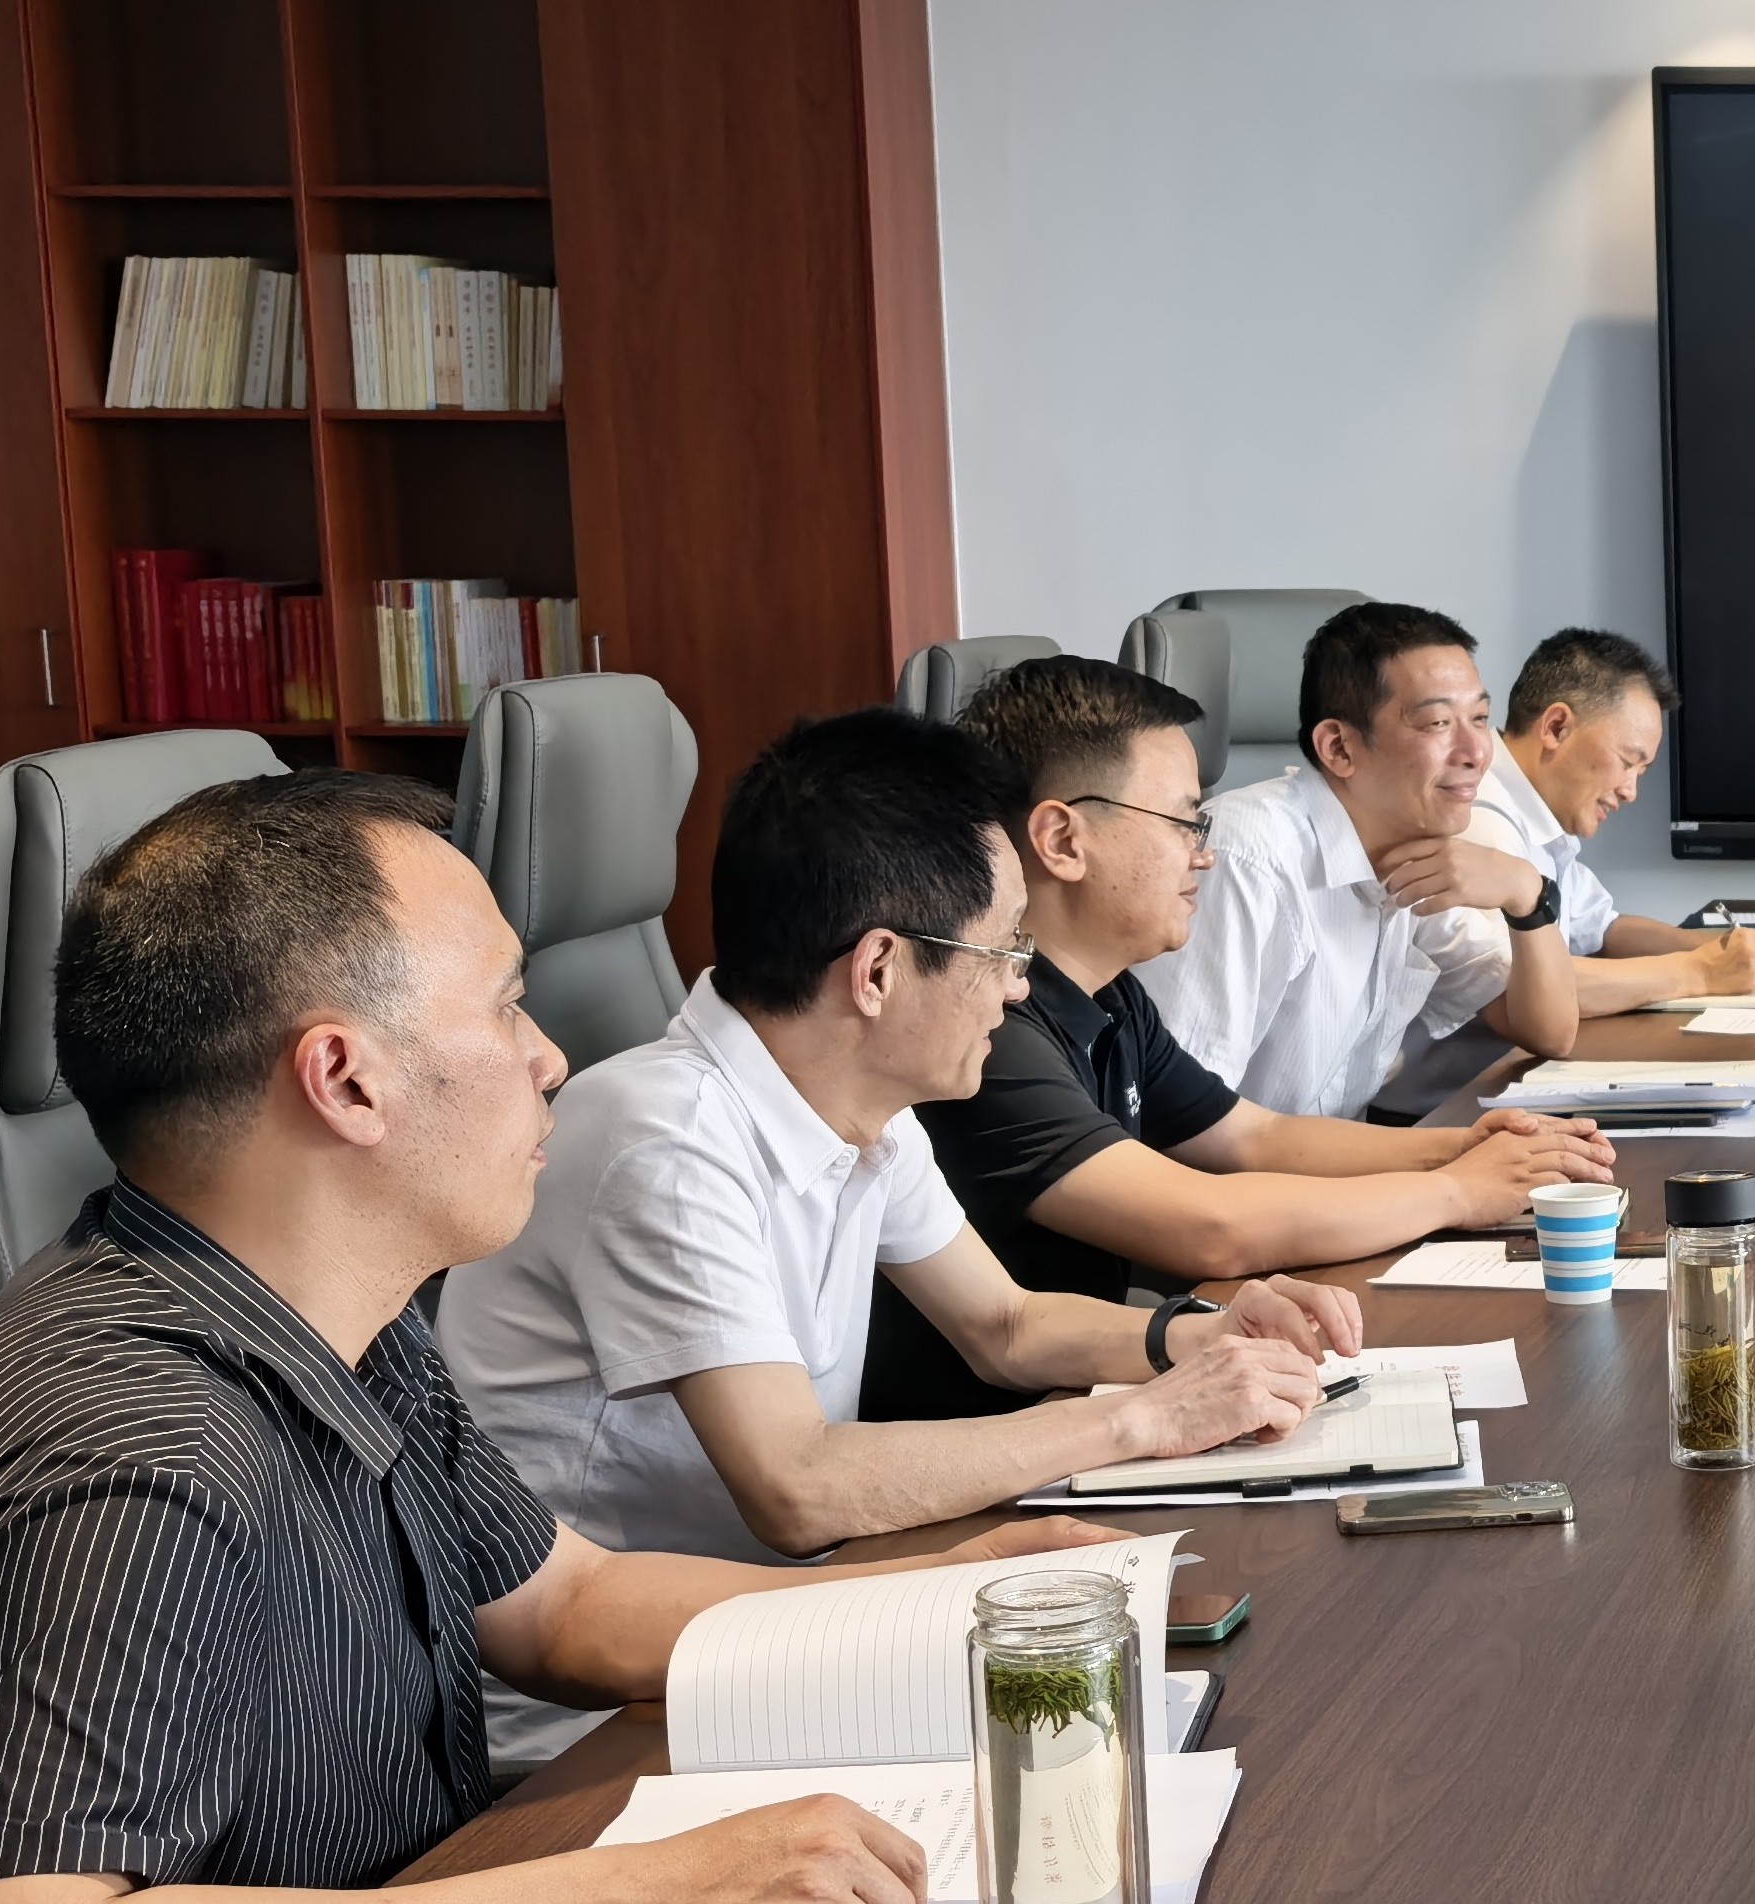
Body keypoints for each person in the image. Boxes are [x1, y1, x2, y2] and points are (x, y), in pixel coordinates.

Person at [0, 770, 1117, 1904]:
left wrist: (937, 1598)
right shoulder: (140, 1447)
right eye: (505, 1005)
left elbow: (564, 1605)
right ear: (345, 1080)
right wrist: (642, 1901)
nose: (551, 1057)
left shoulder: (345, 1321)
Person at [447, 711, 1356, 1760]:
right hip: (610, 1724)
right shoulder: (662, 1136)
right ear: (877, 969)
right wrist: (1142, 1419)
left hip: (793, 1625)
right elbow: (797, 1487)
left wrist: (1194, 1339)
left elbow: (1004, 1325)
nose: (1020, 984)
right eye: (1003, 948)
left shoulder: (857, 1100)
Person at [861, 656, 1617, 1419]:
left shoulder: (1110, 995)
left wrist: (1461, 1147)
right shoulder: (990, 1031)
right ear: (1063, 839)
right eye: (1183, 821)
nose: (1204, 852)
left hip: (1084, 1393)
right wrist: (1459, 1189)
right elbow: (1211, 1228)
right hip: (995, 1434)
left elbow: (1253, 1135)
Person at [1142, 601, 1579, 1119]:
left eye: (1480, 719)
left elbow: (1549, 1032)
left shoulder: (1410, 855)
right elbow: (1181, 1123)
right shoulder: (1245, 858)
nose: (1476, 752)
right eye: (1438, 722)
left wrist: (1527, 894)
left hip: (1336, 1160)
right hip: (1240, 1170)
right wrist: (1443, 1157)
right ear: (1339, 749)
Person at [1470, 627, 1755, 1018]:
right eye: (1627, 761)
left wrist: (1753, 948)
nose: (1630, 792)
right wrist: (1700, 971)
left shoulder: (1534, 812)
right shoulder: (1480, 815)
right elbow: (1518, 984)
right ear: (1556, 727)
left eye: (1641, 770)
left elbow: (1603, 930)